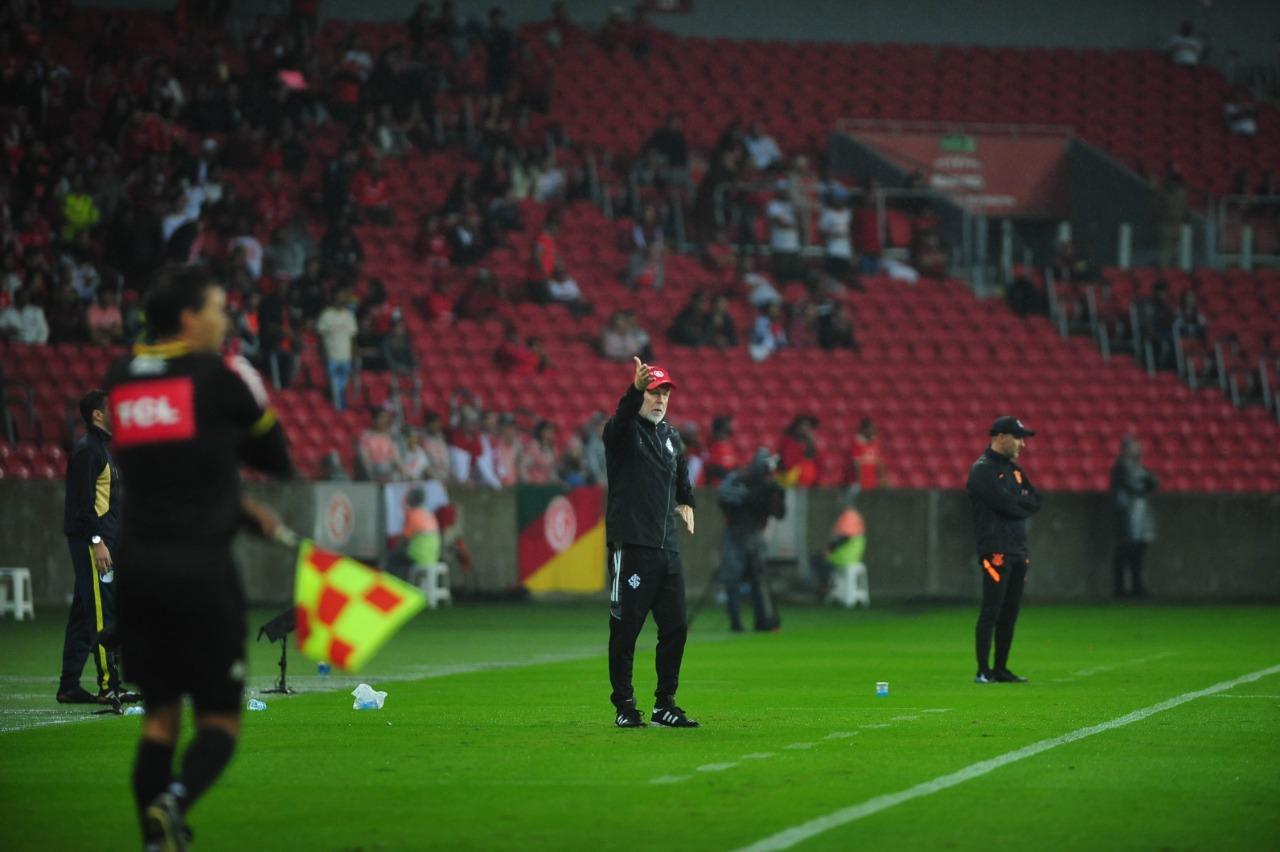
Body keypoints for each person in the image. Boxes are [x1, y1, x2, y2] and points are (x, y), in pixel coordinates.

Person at [104, 265, 293, 849]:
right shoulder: (224, 374)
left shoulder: (121, 381)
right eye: (217, 308)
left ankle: (155, 842)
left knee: (159, 719)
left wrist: (235, 507)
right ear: (187, 317)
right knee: (218, 722)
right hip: (200, 573)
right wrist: (239, 505)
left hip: (137, 571)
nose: (226, 319)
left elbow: (169, 475)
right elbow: (276, 455)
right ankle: (176, 801)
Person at [603, 358, 698, 728]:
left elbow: (681, 473)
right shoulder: (623, 432)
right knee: (626, 627)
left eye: (665, 393)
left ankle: (665, 704)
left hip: (667, 547)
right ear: (642, 394)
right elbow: (621, 418)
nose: (660, 400)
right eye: (654, 392)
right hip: (632, 546)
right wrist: (633, 389)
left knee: (676, 627)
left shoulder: (672, 437)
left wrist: (687, 498)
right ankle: (625, 706)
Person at [57, 390, 133, 707]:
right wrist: (97, 541)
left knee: (83, 615)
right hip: (94, 543)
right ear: (97, 416)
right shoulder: (89, 451)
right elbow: (81, 504)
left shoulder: (103, 449)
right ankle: (108, 686)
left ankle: (69, 686)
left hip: (104, 541)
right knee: (103, 615)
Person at [967, 416, 1041, 685]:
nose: (1022, 443)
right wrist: (1018, 503)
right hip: (995, 550)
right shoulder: (982, 470)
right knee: (991, 609)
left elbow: (1036, 500)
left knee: (1010, 611)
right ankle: (982, 670)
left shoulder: (1015, 471)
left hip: (1019, 550)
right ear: (999, 437)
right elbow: (1006, 504)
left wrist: (1016, 502)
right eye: (1018, 437)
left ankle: (1000, 668)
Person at [717, 449, 786, 633]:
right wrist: (748, 496)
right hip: (736, 534)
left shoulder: (768, 487)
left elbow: (778, 512)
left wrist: (772, 495)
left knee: (758, 580)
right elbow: (723, 495)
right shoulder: (739, 479)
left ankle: (763, 620)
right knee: (734, 579)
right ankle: (736, 622)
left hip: (754, 534)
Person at [1111, 435, 1157, 598]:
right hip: (1127, 515)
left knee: (1137, 554)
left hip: (1139, 515)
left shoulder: (1139, 467)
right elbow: (1133, 487)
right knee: (1125, 553)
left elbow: (1152, 483)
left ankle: (1136, 587)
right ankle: (1122, 589)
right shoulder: (1122, 468)